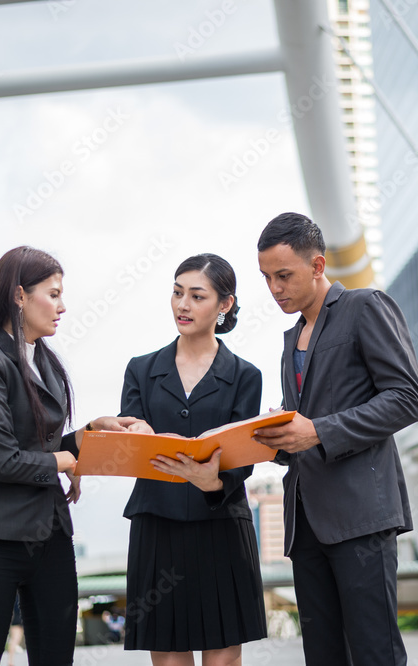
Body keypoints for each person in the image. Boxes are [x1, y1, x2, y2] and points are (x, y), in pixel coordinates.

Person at [0, 246, 141, 665]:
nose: (62, 306)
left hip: (50, 536)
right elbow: (1, 460)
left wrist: (91, 432)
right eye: (53, 294)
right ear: (19, 296)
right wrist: (64, 462)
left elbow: (45, 446)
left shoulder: (47, 363)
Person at [253, 213, 418, 666]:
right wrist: (275, 438)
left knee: (375, 652)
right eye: (267, 278)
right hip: (305, 523)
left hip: (360, 520)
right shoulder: (291, 340)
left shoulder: (366, 306)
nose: (275, 288)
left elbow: (407, 398)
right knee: (323, 656)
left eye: (284, 275)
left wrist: (318, 430)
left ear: (317, 265)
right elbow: (305, 431)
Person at [120, 253, 267, 665]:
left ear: (224, 305)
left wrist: (213, 482)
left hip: (220, 524)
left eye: (197, 296)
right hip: (157, 525)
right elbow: (129, 442)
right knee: (167, 655)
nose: (182, 305)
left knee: (223, 655)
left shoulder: (245, 375)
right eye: (177, 292)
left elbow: (243, 457)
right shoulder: (141, 369)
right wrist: (137, 434)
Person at [5, 594, 24, 666]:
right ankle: (10, 661)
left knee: (14, 640)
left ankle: (10, 660)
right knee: (15, 640)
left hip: (17, 617)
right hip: (19, 617)